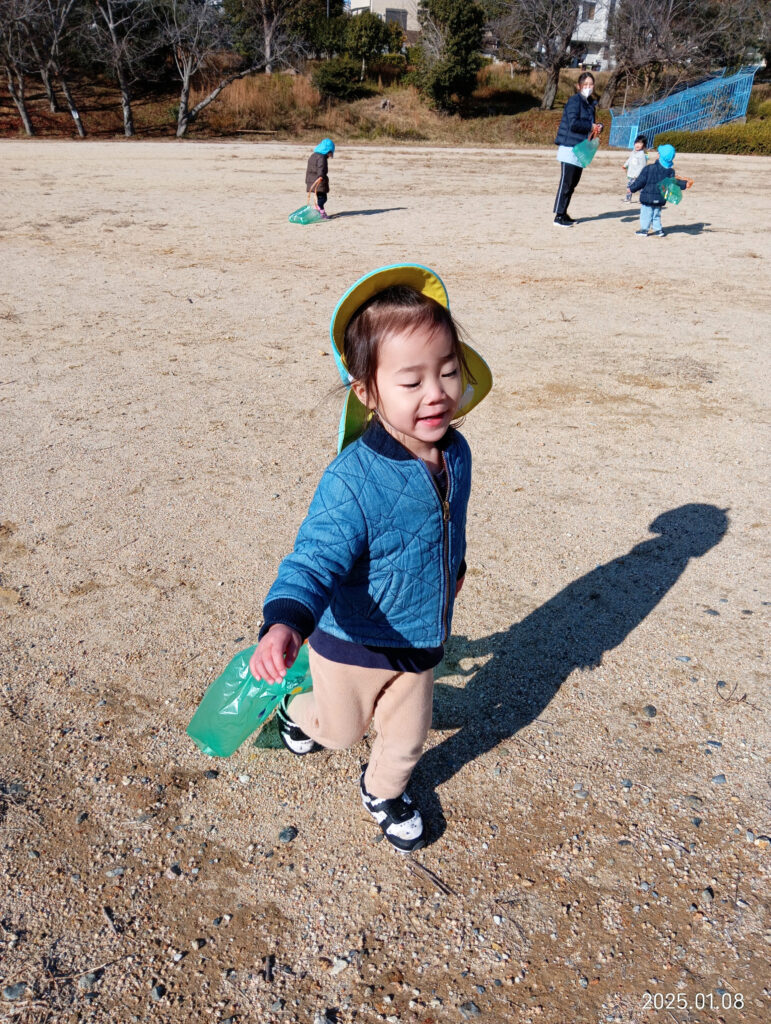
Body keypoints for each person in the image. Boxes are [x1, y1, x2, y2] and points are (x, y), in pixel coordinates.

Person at [249, 264, 492, 853]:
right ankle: (295, 714)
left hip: (420, 636)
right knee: (339, 730)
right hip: (351, 640)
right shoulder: (352, 480)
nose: (436, 392)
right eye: (411, 382)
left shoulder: (454, 452)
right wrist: (286, 621)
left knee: (408, 737)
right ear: (368, 391)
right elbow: (314, 559)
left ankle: (383, 789)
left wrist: (451, 573)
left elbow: (447, 526)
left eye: (449, 372)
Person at [553, 72, 604, 227]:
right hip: (569, 147)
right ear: (579, 86)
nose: (588, 87)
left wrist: (598, 126)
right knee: (566, 183)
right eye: (586, 84)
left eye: (591, 84)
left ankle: (564, 212)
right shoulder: (574, 101)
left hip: (582, 148)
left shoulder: (590, 104)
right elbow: (573, 123)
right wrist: (590, 126)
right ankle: (558, 215)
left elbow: (590, 124)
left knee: (573, 184)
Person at [628, 143, 693, 237]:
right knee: (656, 214)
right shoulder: (670, 171)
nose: (657, 154)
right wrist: (684, 185)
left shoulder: (649, 168)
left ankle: (644, 230)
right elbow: (674, 183)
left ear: (659, 156)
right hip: (661, 197)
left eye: (658, 153)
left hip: (648, 197)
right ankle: (658, 230)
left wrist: (631, 188)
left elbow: (640, 181)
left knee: (646, 214)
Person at [305, 138, 334, 220]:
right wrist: (321, 176)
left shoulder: (313, 155)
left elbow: (309, 168)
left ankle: (319, 209)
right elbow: (321, 167)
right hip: (318, 181)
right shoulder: (322, 157)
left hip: (311, 180)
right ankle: (320, 211)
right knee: (323, 198)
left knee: (319, 197)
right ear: (328, 151)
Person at [622, 134, 648, 202]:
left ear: (644, 145)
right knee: (639, 188)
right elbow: (629, 159)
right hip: (631, 173)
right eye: (637, 142)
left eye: (640, 143)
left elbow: (643, 166)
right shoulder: (633, 152)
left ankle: (628, 199)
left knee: (630, 186)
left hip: (637, 175)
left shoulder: (642, 155)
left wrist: (638, 175)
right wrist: (625, 165)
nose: (637, 145)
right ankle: (642, 198)